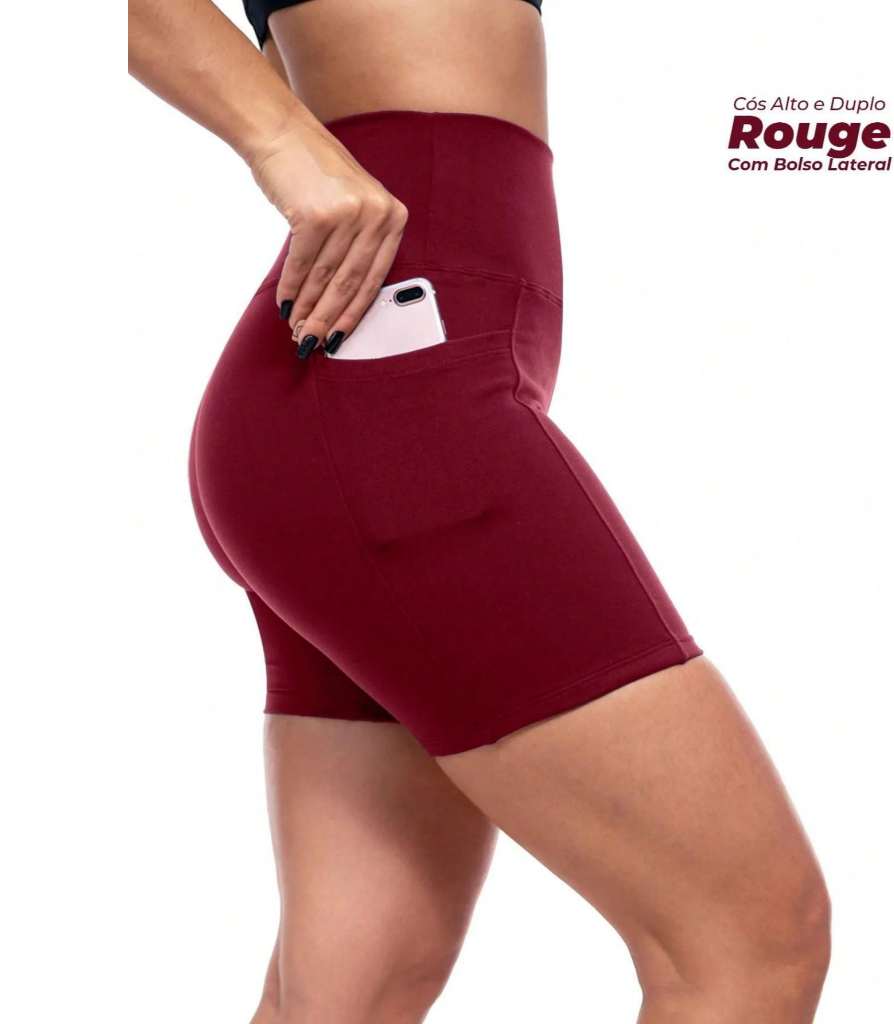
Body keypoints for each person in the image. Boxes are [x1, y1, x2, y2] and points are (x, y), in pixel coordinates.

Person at [128, 2, 831, 1021]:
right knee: (751, 938)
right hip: (399, 407)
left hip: (362, 392)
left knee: (355, 988)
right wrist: (280, 140)